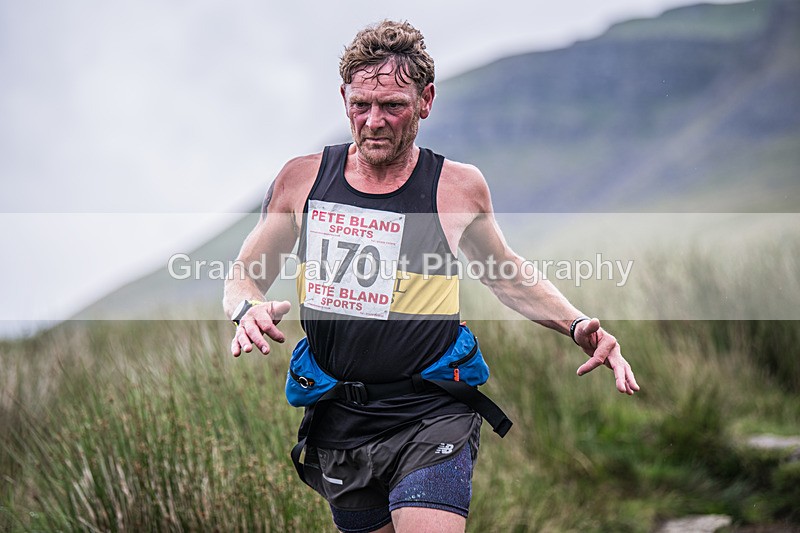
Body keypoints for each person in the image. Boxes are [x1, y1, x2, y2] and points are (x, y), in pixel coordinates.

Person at [223, 19, 639, 533]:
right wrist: (246, 309)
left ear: (426, 101)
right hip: (341, 417)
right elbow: (245, 275)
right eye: (361, 105)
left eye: (393, 105)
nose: (374, 121)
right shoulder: (303, 180)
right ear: (344, 99)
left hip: (432, 409)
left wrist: (578, 326)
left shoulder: (457, 188)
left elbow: (505, 274)